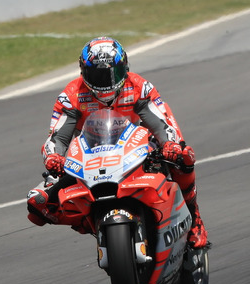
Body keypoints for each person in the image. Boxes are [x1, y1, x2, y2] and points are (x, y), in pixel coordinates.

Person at [26, 37, 208, 249]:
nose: (107, 82)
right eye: (98, 75)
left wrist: (170, 145)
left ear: (126, 67)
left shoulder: (139, 87)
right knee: (38, 204)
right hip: (92, 152)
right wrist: (54, 157)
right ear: (83, 72)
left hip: (139, 145)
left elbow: (161, 123)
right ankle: (89, 221)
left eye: (114, 73)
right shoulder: (71, 95)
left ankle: (195, 220)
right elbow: (57, 136)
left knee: (183, 157)